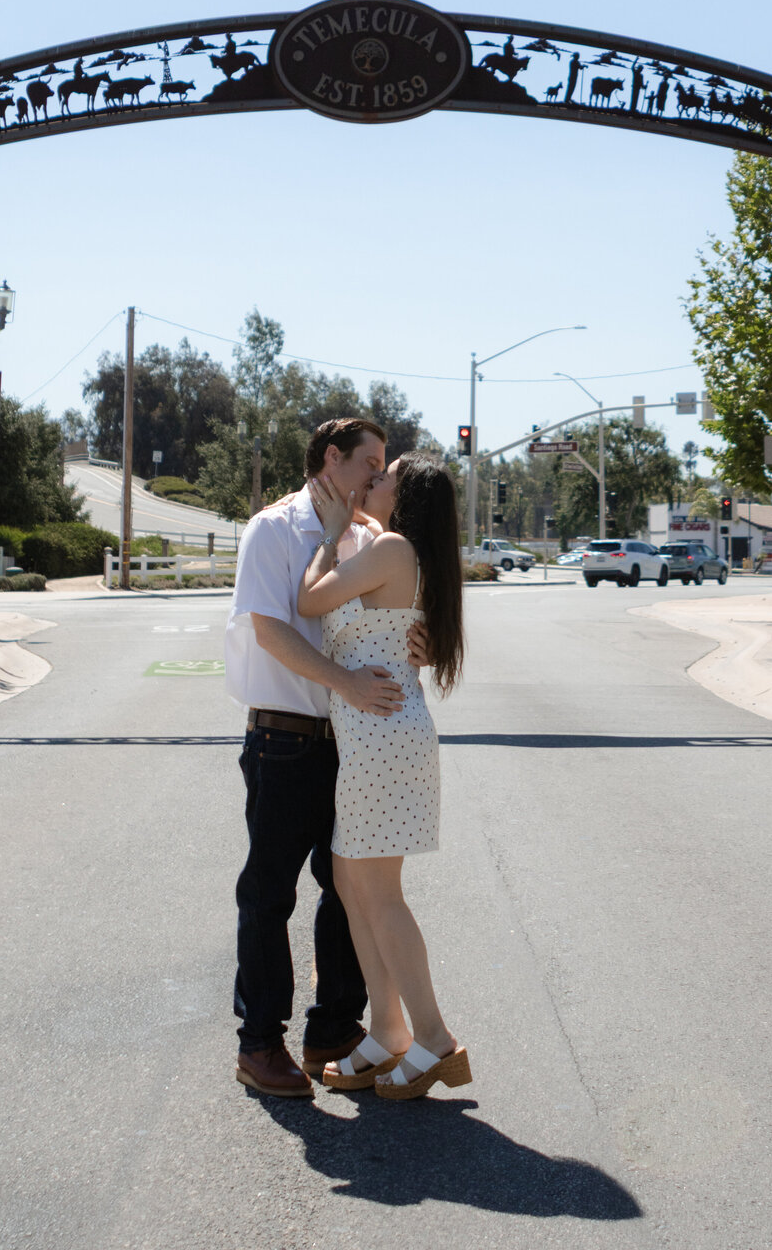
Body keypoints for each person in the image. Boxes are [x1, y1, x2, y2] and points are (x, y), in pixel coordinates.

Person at [226, 417, 408, 1098]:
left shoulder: (363, 538)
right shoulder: (272, 530)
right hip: (283, 740)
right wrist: (349, 684)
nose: (376, 475)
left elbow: (382, 626)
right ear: (331, 458)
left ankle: (333, 1028)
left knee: (349, 891)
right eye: (369, 461)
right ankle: (260, 1043)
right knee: (270, 894)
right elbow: (270, 629)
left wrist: (406, 647)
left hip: (354, 745)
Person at [298, 452, 471, 1101]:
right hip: (379, 729)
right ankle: (388, 1027)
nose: (370, 483)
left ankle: (432, 1038)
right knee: (352, 881)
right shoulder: (400, 552)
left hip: (380, 732)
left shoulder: (393, 547)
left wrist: (326, 532)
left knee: (379, 891)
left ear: (406, 497)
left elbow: (309, 600)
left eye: (383, 477)